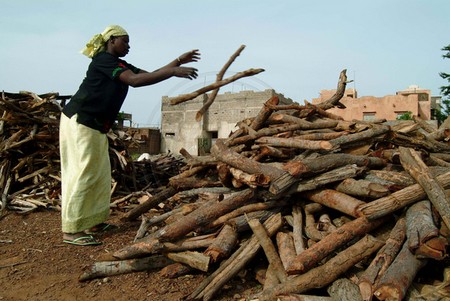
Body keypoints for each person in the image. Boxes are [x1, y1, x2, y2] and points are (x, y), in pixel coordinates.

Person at [60, 25, 200, 246]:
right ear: (111, 41)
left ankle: (93, 221)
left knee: (101, 173)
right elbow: (134, 81)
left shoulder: (120, 64)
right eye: (124, 41)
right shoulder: (103, 60)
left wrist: (178, 62)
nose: (128, 45)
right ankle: (72, 229)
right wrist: (174, 71)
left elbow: (148, 75)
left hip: (96, 125)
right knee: (82, 173)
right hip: (81, 120)